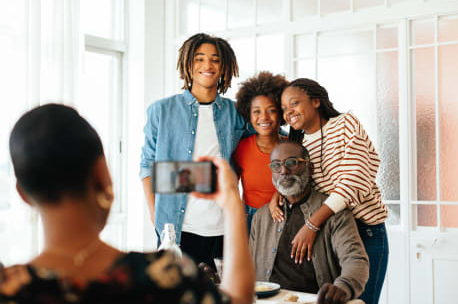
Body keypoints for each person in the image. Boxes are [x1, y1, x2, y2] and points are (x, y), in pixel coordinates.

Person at [1, 104, 254, 304]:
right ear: (103, 175)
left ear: (23, 194)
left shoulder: (9, 288)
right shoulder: (164, 275)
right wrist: (232, 202)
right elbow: (238, 299)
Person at [271, 78, 388, 304]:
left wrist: (312, 224)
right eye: (284, 108)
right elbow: (297, 182)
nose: (289, 112)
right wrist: (279, 194)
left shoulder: (345, 124)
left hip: (365, 232)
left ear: (316, 101)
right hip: (329, 234)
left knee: (361, 302)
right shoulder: (300, 143)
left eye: (294, 103)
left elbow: (353, 179)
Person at [140, 33, 246, 268]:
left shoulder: (236, 112)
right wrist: (156, 218)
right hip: (177, 231)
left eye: (215, 60)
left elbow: (266, 142)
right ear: (188, 64)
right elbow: (148, 167)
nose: (207, 65)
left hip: (224, 229)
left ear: (224, 67)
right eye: (199, 59)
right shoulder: (161, 110)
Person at [250, 142, 369, 304]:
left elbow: (355, 260)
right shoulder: (261, 217)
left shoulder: (334, 214)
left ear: (310, 168)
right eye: (276, 165)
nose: (284, 171)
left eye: (292, 162)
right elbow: (247, 267)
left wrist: (343, 287)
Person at [233, 71, 289, 231]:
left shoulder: (294, 148)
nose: (263, 117)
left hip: (287, 219)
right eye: (256, 111)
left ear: (281, 113)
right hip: (252, 222)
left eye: (271, 110)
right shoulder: (240, 148)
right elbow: (232, 189)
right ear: (249, 115)